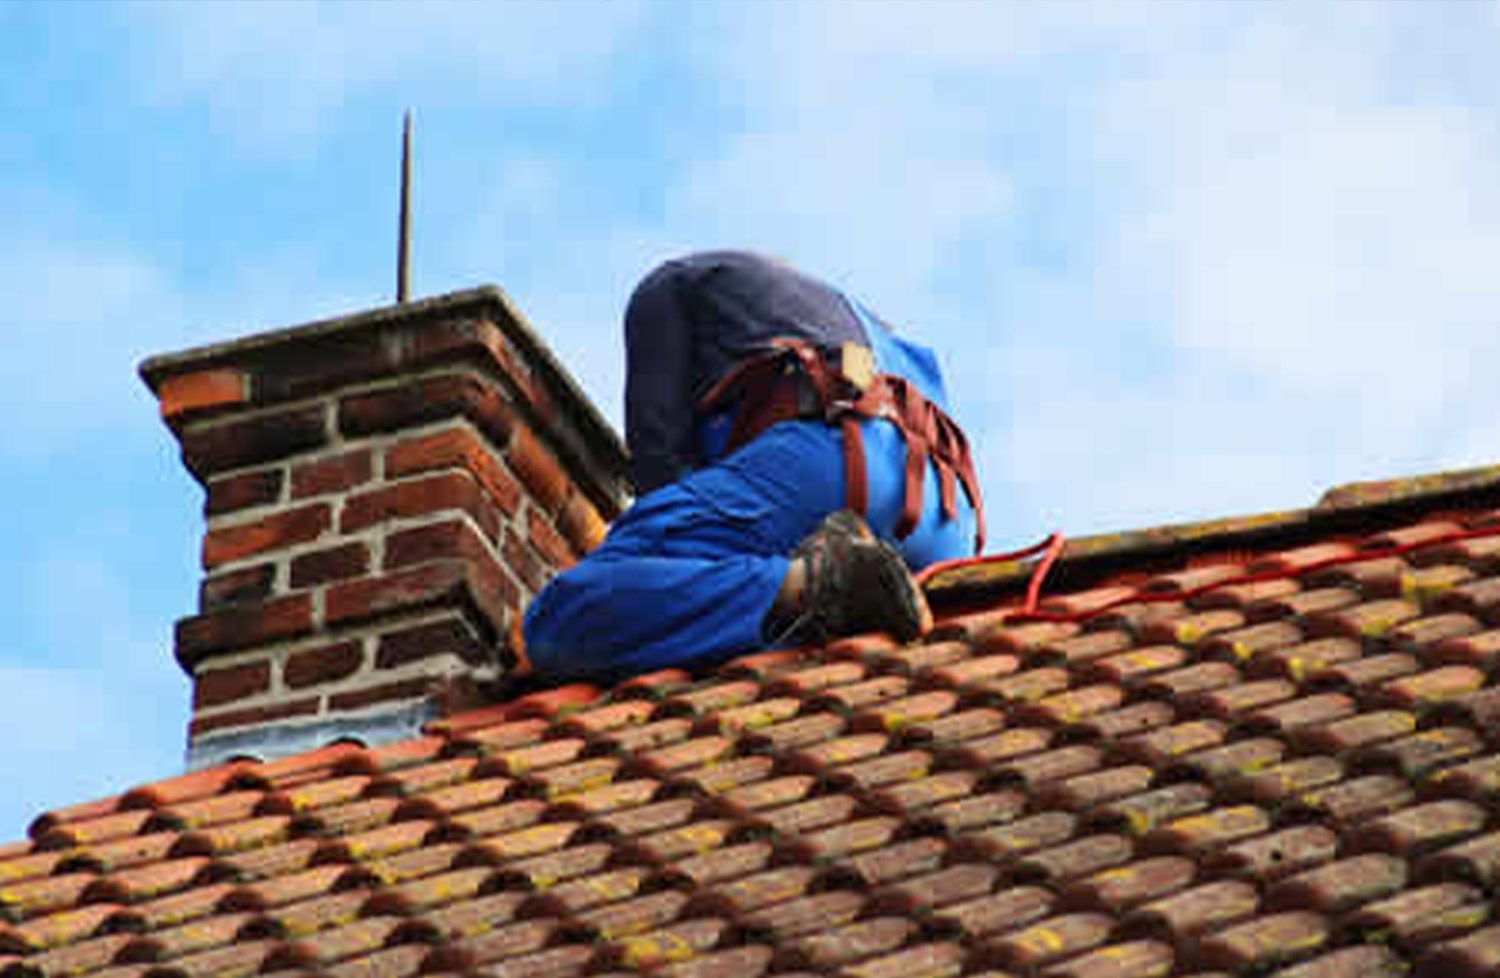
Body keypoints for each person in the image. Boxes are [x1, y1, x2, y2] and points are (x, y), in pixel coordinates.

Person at [522, 250, 983, 681]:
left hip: (834, 463)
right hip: (946, 525)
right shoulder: (856, 324)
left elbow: (658, 469)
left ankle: (819, 583)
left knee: (564, 615)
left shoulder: (663, 291)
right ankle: (844, 587)